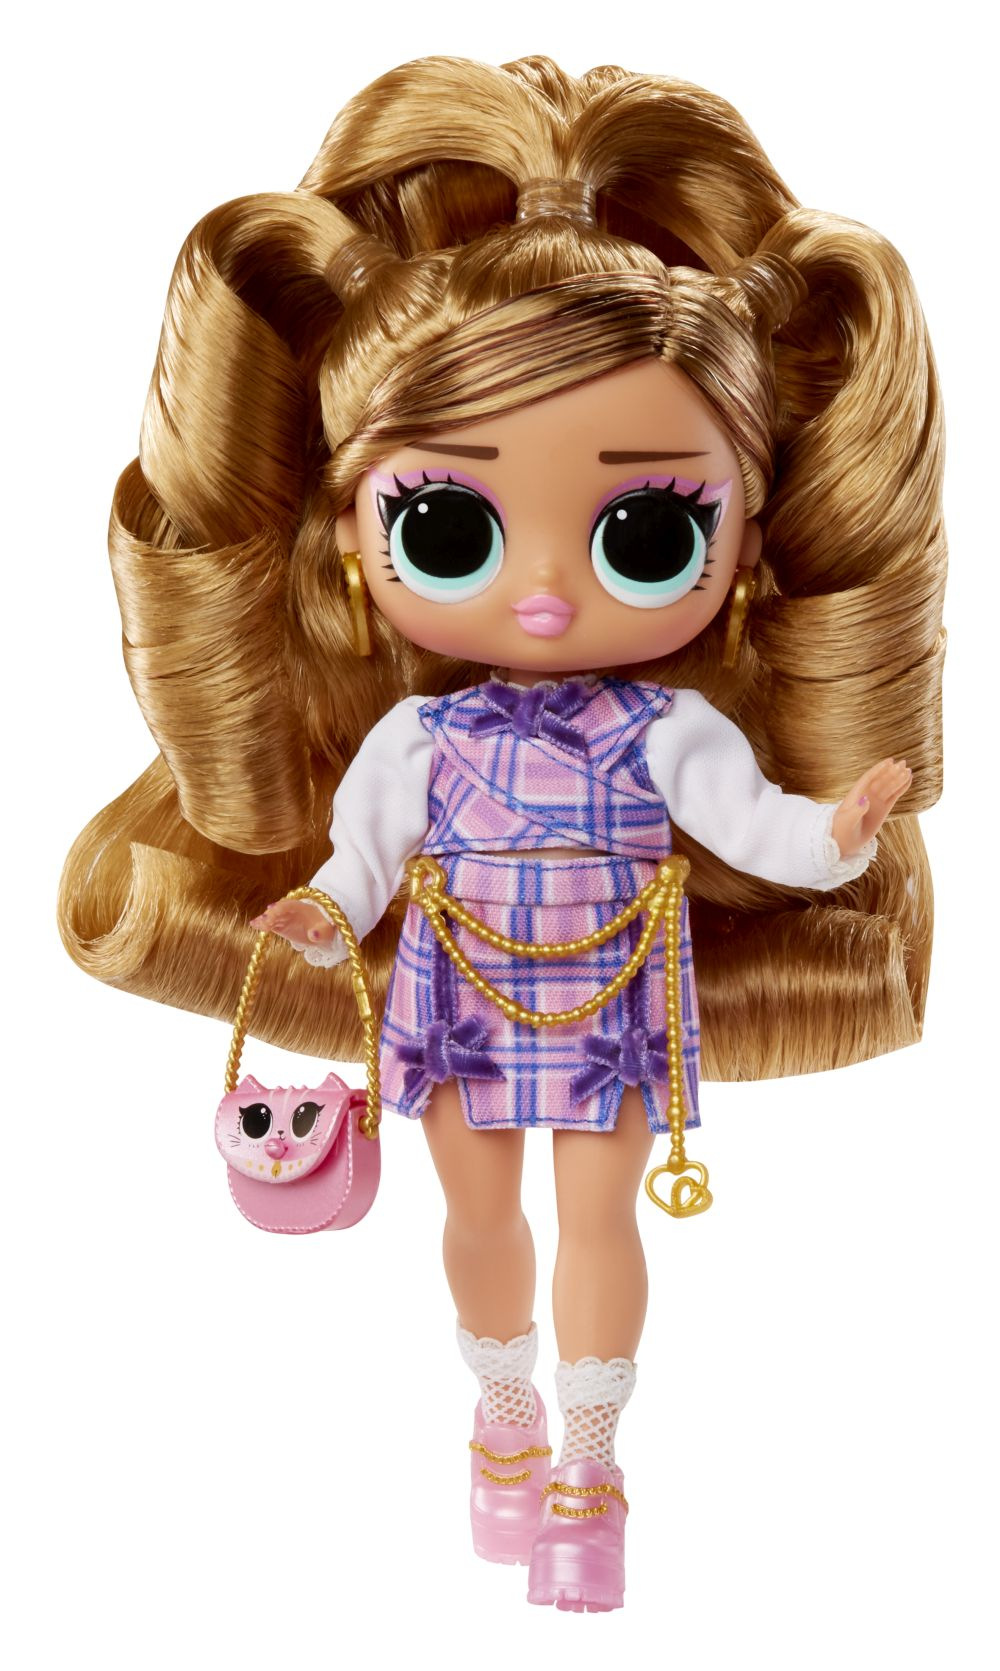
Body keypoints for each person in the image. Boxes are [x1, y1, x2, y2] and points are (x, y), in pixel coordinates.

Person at [58, 54, 945, 1613]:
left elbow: (768, 834)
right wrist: (320, 915)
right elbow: (358, 863)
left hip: (609, 1000)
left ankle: (592, 1465)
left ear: (743, 539)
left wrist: (846, 830)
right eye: (451, 525)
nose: (542, 591)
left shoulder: (671, 735)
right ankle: (503, 1411)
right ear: (353, 538)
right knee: (477, 1212)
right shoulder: (416, 739)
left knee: (597, 1211)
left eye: (642, 531)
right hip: (457, 994)